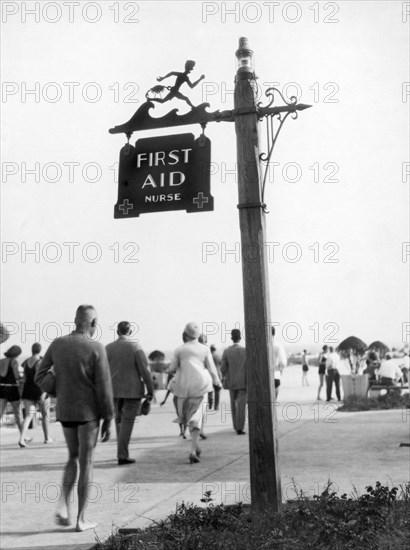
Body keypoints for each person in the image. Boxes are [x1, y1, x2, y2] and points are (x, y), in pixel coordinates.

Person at [35, 305, 114, 532]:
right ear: (94, 323)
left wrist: (59, 389)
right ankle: (81, 518)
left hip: (65, 410)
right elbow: (104, 386)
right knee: (86, 462)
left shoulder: (58, 343)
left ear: (75, 320)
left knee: (72, 457)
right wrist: (108, 417)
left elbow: (40, 375)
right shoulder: (96, 347)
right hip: (88, 413)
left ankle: (63, 507)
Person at [167, 322, 221, 464]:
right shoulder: (205, 349)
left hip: (183, 387)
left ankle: (194, 447)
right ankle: (193, 449)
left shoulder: (179, 350)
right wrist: (217, 381)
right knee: (196, 417)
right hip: (201, 386)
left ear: (185, 334)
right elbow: (212, 368)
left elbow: (172, 369)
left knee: (188, 417)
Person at [106, 321, 154, 465]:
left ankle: (122, 452)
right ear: (131, 332)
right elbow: (145, 370)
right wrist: (150, 390)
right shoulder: (135, 347)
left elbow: (102, 371)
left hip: (113, 390)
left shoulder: (107, 348)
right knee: (127, 422)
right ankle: (122, 454)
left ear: (117, 332)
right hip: (132, 391)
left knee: (118, 420)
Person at [19, 343, 53, 446]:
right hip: (39, 390)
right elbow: (40, 378)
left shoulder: (25, 362)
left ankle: (21, 439)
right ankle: (47, 438)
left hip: (27, 391)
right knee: (45, 415)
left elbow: (24, 378)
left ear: (32, 350)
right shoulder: (40, 362)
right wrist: (45, 391)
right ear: (40, 350)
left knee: (28, 416)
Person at [220, 329, 247, 435]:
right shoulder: (245, 350)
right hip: (243, 382)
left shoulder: (226, 351)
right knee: (241, 405)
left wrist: (227, 376)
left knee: (233, 404)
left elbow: (223, 368)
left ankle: (235, 426)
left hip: (231, 381)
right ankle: (240, 427)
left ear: (232, 338)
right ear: (240, 338)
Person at [0, 345, 23, 437]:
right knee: (18, 414)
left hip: (1, 388)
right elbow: (17, 376)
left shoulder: (1, 361)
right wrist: (23, 379)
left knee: (0, 413)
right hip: (12, 389)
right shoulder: (14, 362)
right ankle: (23, 436)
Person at [271, 327, 287, 398]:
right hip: (275, 375)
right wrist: (281, 369)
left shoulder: (260, 345)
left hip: (262, 377)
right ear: (274, 333)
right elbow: (283, 362)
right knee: (273, 402)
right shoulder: (278, 345)